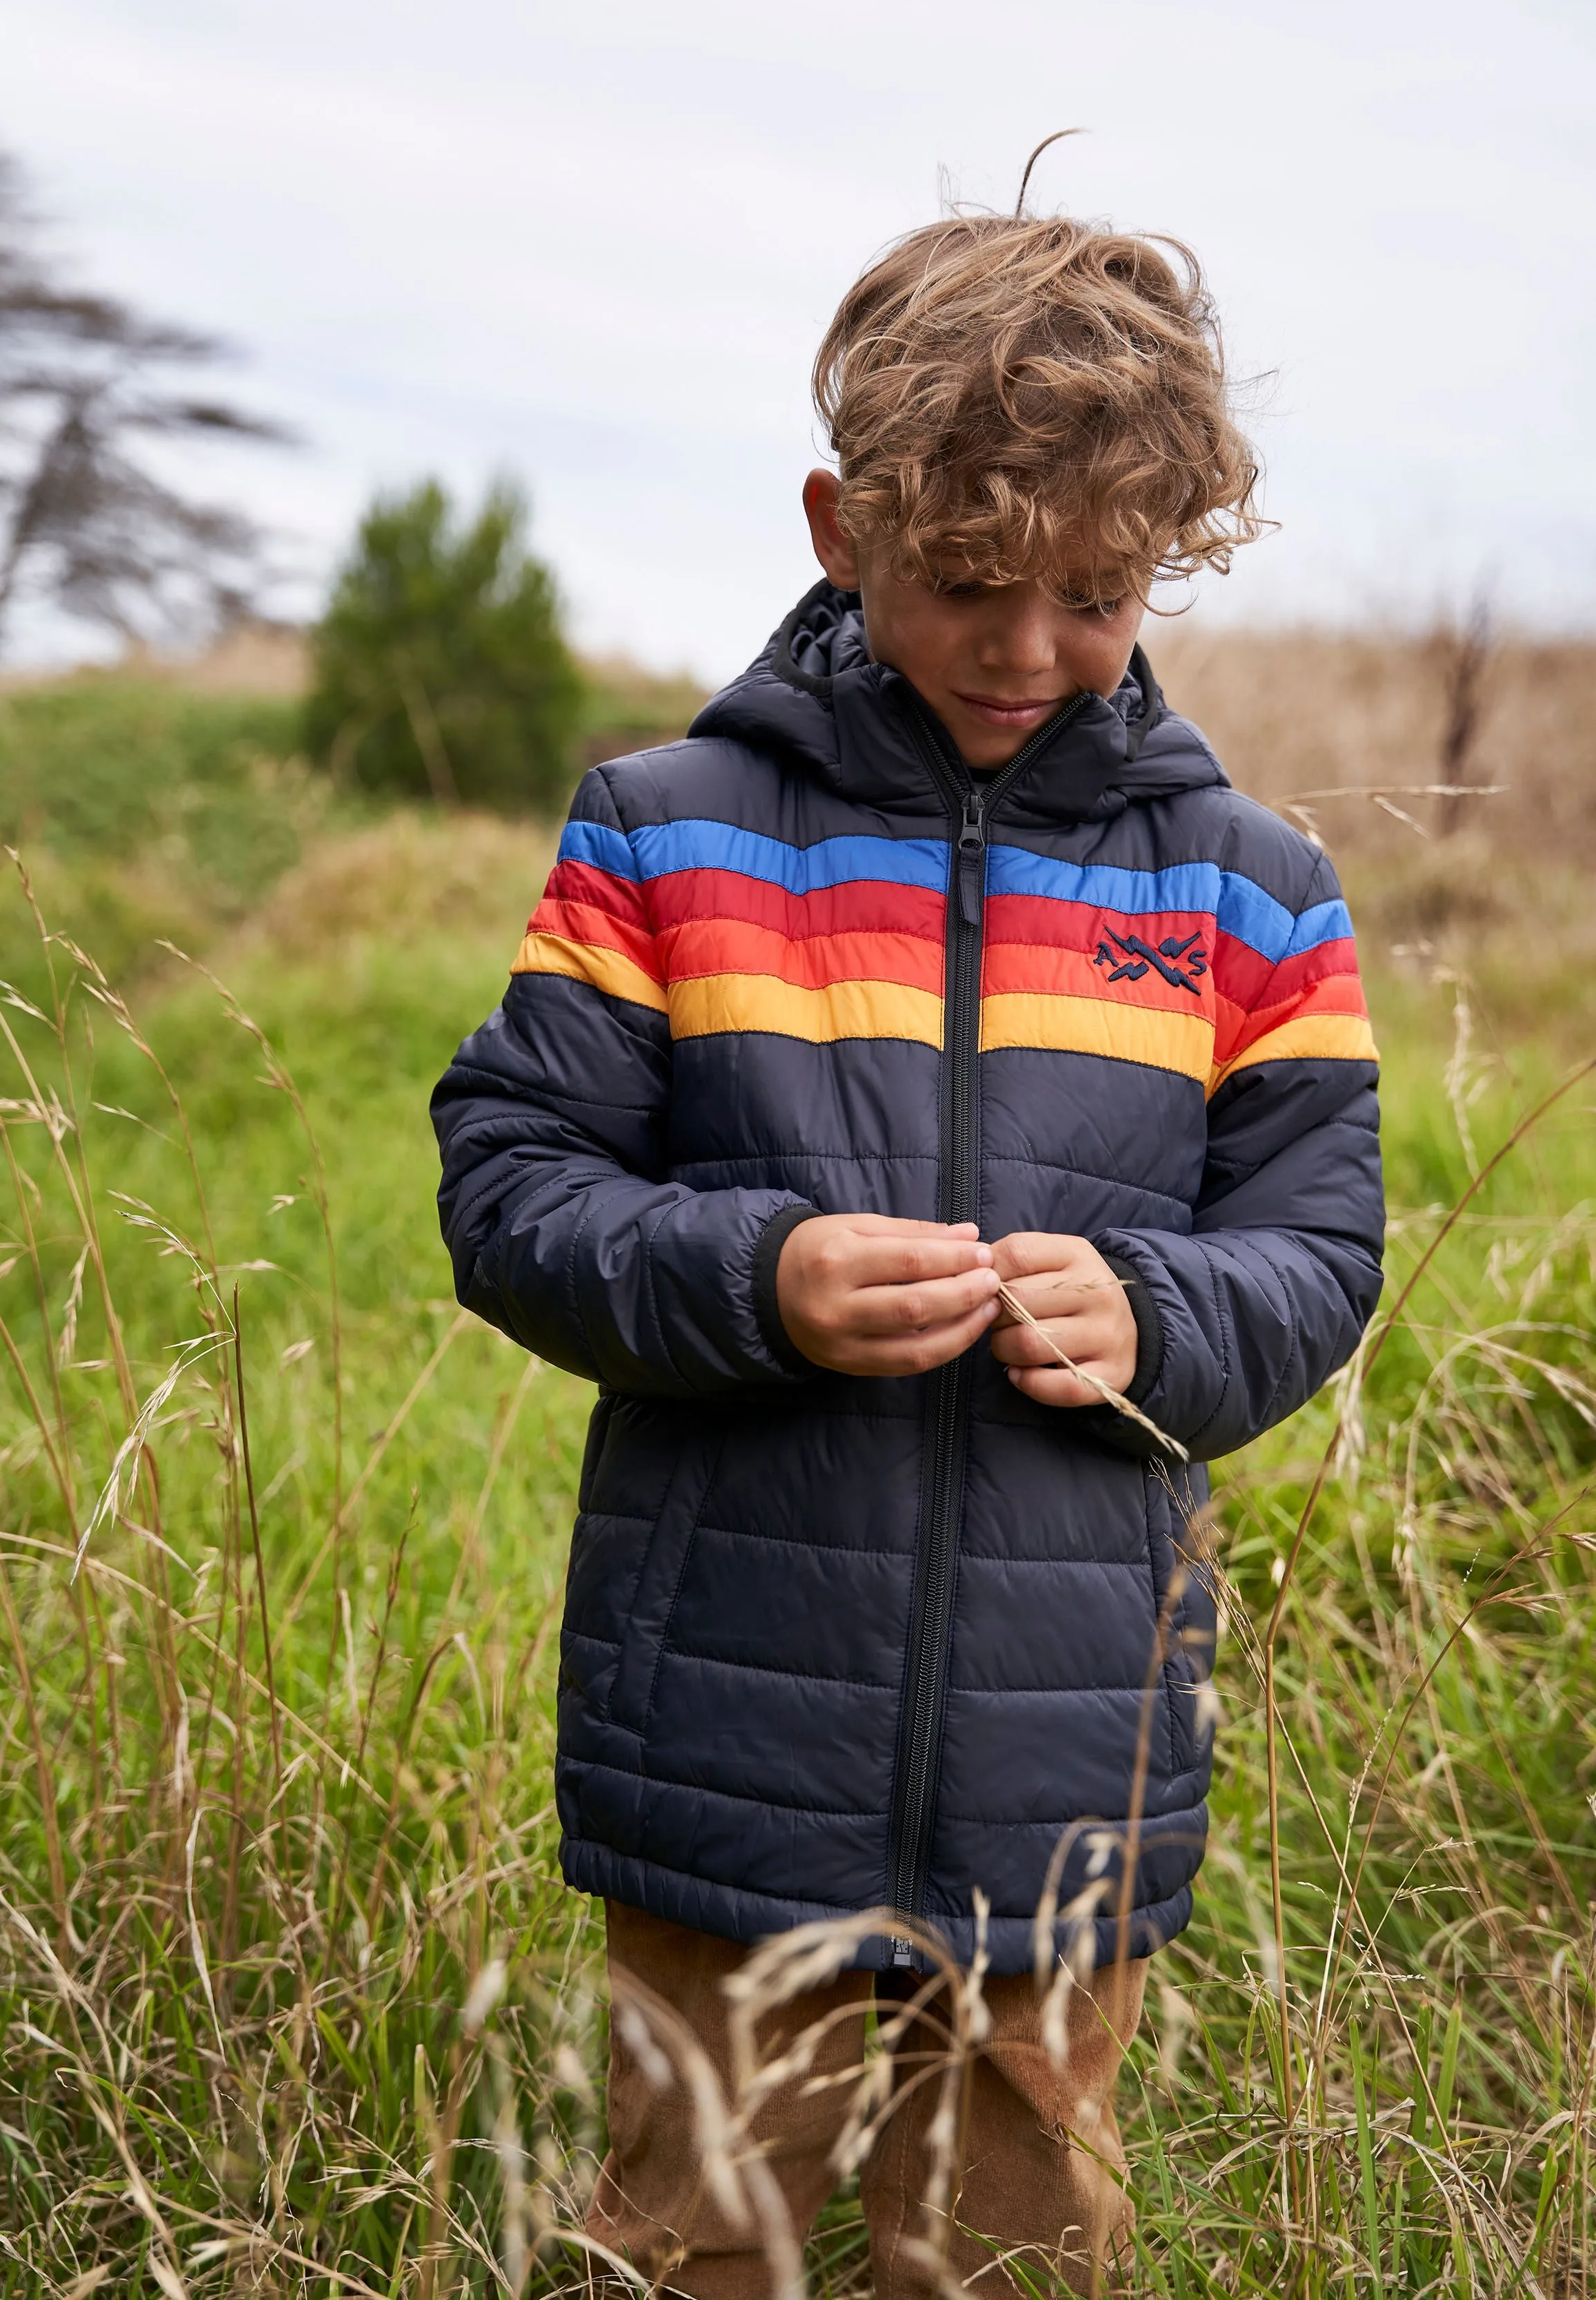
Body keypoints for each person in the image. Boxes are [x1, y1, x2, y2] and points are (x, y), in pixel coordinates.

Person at [431, 183, 1384, 2297]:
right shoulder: (663, 825)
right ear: (840, 529)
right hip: (723, 1740)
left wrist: (1151, 1308)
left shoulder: (1256, 888)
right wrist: (754, 1280)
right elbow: (512, 1189)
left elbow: (1319, 1252)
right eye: (969, 584)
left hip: (1071, 1765)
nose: (1027, 647)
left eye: (1099, 591)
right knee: (697, 2236)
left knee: (1015, 2251)